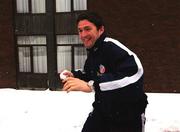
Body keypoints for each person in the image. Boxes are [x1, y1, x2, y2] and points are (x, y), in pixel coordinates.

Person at [60, 11, 148, 132]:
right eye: (80, 30)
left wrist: (92, 86)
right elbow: (91, 73)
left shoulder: (112, 47)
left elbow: (134, 73)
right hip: (102, 112)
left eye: (87, 29)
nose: (83, 35)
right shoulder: (94, 51)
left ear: (100, 30)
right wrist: (75, 75)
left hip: (128, 116)